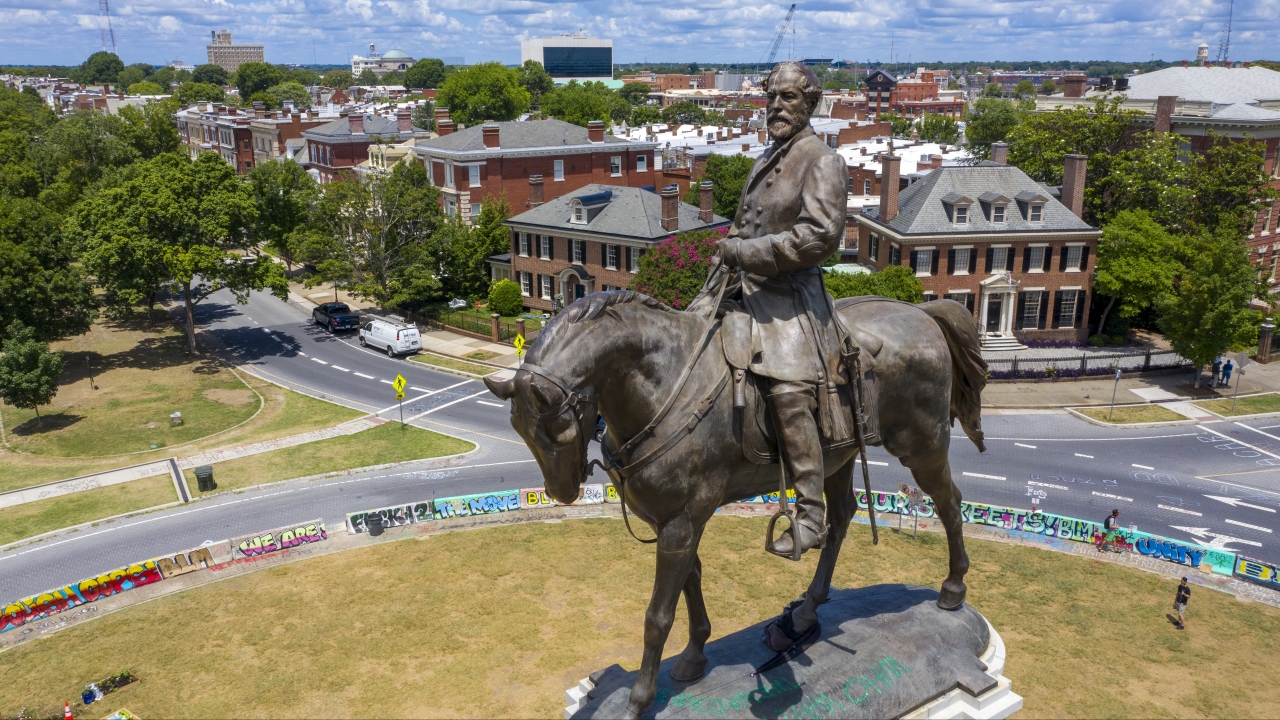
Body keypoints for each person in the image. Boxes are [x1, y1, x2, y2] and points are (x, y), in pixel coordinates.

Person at [687, 61, 848, 558]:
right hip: (736, 284)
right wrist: (729, 256)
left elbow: (820, 237)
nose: (776, 105)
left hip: (790, 297)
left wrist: (747, 253)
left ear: (810, 103)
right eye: (771, 96)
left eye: (788, 98)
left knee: (787, 388)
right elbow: (747, 223)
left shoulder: (821, 160)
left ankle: (810, 513)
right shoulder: (767, 156)